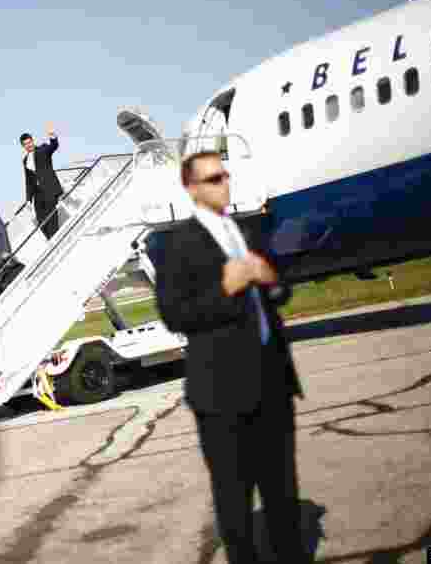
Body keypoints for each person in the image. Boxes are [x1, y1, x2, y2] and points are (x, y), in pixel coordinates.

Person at [154, 150, 309, 564]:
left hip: (274, 386)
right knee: (235, 504)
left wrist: (271, 280)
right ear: (191, 188)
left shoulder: (244, 232)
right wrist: (224, 289)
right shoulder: (177, 243)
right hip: (222, 396)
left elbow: (276, 291)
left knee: (283, 497)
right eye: (213, 179)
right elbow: (174, 314)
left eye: (224, 176)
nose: (224, 184)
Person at [20, 123, 65, 240]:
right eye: (25, 144)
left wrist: (53, 137)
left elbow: (53, 146)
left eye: (29, 142)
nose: (28, 145)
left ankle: (55, 239)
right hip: (38, 194)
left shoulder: (43, 149)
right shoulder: (25, 160)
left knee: (51, 216)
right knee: (41, 220)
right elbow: (28, 181)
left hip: (49, 189)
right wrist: (28, 199)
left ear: (32, 141)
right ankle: (50, 238)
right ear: (23, 146)